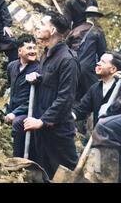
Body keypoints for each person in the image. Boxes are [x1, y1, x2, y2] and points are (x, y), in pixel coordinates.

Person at [24, 11, 79, 179]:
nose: (38, 27)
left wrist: (42, 121)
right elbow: (49, 81)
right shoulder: (47, 55)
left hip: (58, 131)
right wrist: (37, 77)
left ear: (53, 30)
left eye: (42, 24)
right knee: (45, 172)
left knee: (65, 175)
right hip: (43, 128)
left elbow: (65, 98)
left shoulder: (67, 60)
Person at [91, 73, 121, 183]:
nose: (98, 64)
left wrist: (110, 110)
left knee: (106, 128)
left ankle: (106, 179)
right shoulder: (95, 88)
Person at [4, 34, 39, 158]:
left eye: (34, 48)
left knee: (19, 123)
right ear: (20, 51)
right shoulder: (11, 66)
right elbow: (12, 89)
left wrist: (15, 113)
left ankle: (17, 160)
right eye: (29, 48)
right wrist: (10, 110)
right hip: (14, 108)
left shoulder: (39, 69)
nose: (33, 51)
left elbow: (35, 99)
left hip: (31, 111)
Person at [72, 52, 121, 126]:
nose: (98, 63)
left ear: (113, 69)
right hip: (99, 134)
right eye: (99, 60)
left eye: (103, 62)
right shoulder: (95, 88)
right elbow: (81, 110)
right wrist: (66, 117)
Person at [66, 6, 107, 101]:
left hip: (73, 68)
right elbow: (102, 53)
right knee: (93, 96)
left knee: (75, 97)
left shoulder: (75, 30)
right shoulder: (97, 32)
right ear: (95, 18)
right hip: (88, 70)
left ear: (86, 17)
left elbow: (66, 48)